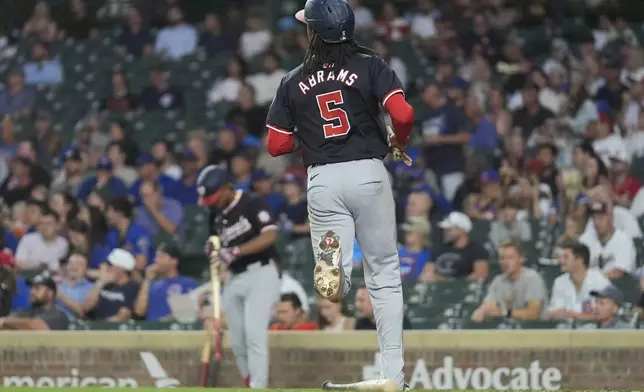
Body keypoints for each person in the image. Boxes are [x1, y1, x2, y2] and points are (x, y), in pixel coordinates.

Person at [265, 0, 414, 387]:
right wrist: (399, 140)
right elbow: (403, 114)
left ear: (313, 32)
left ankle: (336, 270)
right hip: (368, 171)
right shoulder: (372, 65)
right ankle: (393, 376)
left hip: (323, 180)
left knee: (335, 284)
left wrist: (308, 130)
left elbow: (275, 145)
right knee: (383, 273)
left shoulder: (292, 80)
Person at [199, 165, 281, 389]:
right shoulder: (215, 215)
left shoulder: (251, 202)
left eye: (215, 197)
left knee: (254, 334)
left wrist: (235, 251)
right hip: (235, 276)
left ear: (226, 188)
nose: (213, 203)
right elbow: (215, 241)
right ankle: (248, 382)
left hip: (261, 271)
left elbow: (270, 235)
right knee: (237, 341)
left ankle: (258, 386)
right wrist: (213, 248)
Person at [471, 242, 547, 322]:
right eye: (502, 258)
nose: (506, 262)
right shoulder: (498, 281)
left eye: (510, 258)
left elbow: (534, 314)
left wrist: (505, 312)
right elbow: (487, 306)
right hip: (508, 329)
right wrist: (482, 311)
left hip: (535, 329)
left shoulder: (532, 278)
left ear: (521, 259)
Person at [548, 240, 611, 321]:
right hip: (565, 331)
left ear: (580, 259)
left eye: (566, 257)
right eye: (560, 257)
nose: (561, 261)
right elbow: (556, 313)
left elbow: (606, 315)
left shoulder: (598, 279)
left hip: (595, 331)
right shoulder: (559, 282)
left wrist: (570, 314)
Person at [134, 244, 197, 321]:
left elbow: (188, 311)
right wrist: (147, 279)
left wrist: (163, 322)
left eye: (161, 257)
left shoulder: (186, 283)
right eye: (156, 257)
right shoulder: (153, 284)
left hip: (176, 330)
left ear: (174, 261)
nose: (156, 260)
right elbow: (139, 311)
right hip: (152, 331)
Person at [422, 212, 489, 281]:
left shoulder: (477, 250)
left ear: (462, 230)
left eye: (449, 229)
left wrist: (454, 283)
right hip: (439, 288)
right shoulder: (440, 249)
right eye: (445, 229)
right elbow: (428, 270)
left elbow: (480, 275)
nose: (445, 232)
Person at [82, 248, 139, 322]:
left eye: (109, 265)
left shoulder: (132, 288)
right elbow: (86, 307)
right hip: (93, 327)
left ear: (120, 269)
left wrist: (102, 327)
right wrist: (100, 283)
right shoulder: (102, 282)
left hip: (113, 330)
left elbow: (123, 315)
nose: (105, 267)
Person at [0, 270, 69, 330]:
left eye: (37, 288)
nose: (31, 292)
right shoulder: (23, 311)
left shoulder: (59, 315)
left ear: (50, 293)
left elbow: (36, 325)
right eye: (31, 288)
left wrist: (5, 322)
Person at [14, 207, 68, 272]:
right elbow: (18, 263)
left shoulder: (63, 243)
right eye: (41, 223)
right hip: (29, 277)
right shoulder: (28, 239)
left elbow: (63, 267)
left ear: (58, 225)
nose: (45, 227)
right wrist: (37, 268)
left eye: (49, 223)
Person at [56, 252, 93, 319]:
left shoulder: (91, 288)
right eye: (71, 263)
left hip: (75, 326)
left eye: (79, 264)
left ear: (86, 269)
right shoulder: (57, 283)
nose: (74, 266)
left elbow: (82, 312)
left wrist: (58, 294)